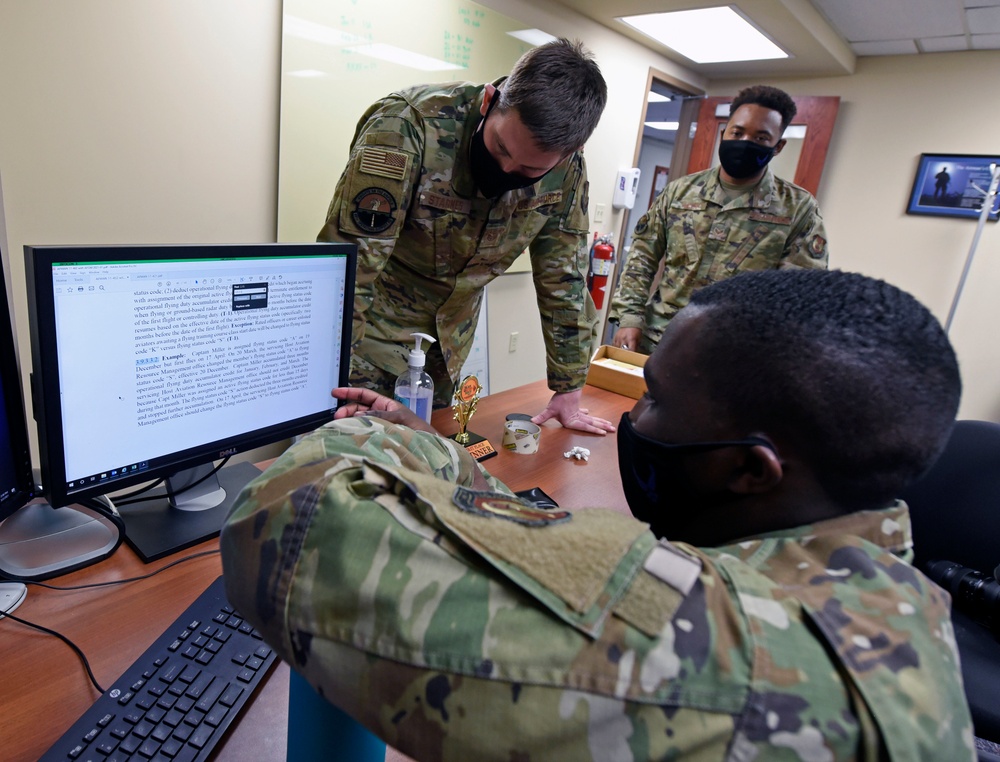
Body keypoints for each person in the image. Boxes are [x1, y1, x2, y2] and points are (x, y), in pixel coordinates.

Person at [221, 269, 975, 761]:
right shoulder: (893, 591)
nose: (633, 418)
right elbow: (524, 549)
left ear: (749, 467)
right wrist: (434, 450)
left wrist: (367, 434)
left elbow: (288, 519)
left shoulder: (730, 655)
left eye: (655, 400)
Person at [317, 38, 614, 435]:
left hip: (445, 354)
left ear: (570, 152)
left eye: (527, 170)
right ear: (491, 100)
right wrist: (333, 375)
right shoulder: (406, 126)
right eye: (499, 147)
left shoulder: (568, 170)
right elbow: (351, 266)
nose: (506, 168)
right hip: (367, 342)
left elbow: (565, 279)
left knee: (427, 469)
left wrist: (569, 385)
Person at [609, 85, 829, 354]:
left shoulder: (797, 208)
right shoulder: (680, 192)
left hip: (734, 355)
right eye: (738, 132)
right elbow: (642, 257)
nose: (745, 142)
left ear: (778, 146)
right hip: (660, 341)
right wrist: (630, 318)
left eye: (761, 138)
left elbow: (797, 293)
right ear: (724, 133)